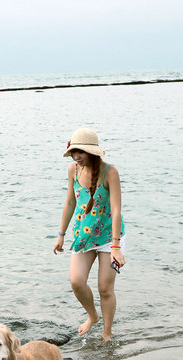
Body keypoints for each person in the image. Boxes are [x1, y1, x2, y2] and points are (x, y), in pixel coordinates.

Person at [53, 128, 125, 341]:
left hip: (109, 236)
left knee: (105, 287)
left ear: (92, 152)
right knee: (76, 281)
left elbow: (117, 209)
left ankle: (107, 333)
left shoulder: (110, 172)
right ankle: (93, 316)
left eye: (81, 152)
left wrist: (115, 247)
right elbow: (70, 202)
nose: (76, 156)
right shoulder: (73, 170)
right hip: (84, 234)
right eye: (74, 152)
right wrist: (61, 235)